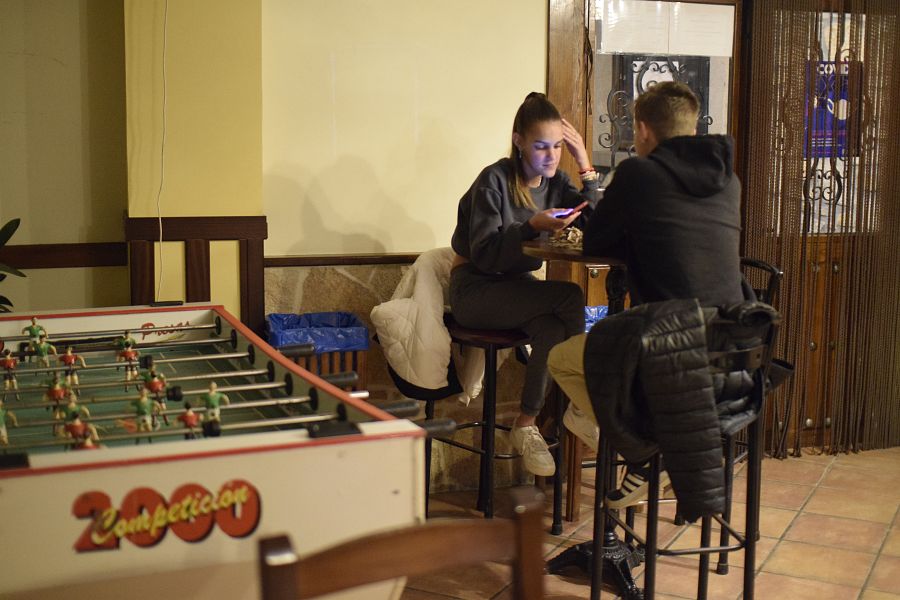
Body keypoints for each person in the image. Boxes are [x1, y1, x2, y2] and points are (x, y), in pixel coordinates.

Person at [548, 81, 745, 505]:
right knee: (614, 364)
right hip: (735, 352)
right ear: (693, 127)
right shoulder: (729, 182)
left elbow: (597, 241)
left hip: (671, 348)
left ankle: (646, 454)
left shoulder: (639, 173)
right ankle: (661, 443)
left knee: (561, 359)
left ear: (642, 130)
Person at [449, 92, 601, 476]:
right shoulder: (494, 181)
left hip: (515, 290)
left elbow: (601, 225)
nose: (550, 156)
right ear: (518, 140)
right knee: (570, 296)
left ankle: (527, 422)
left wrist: (585, 166)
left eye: (557, 147)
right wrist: (530, 227)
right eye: (540, 146)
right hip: (475, 291)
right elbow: (484, 254)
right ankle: (581, 408)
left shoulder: (557, 182)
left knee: (551, 326)